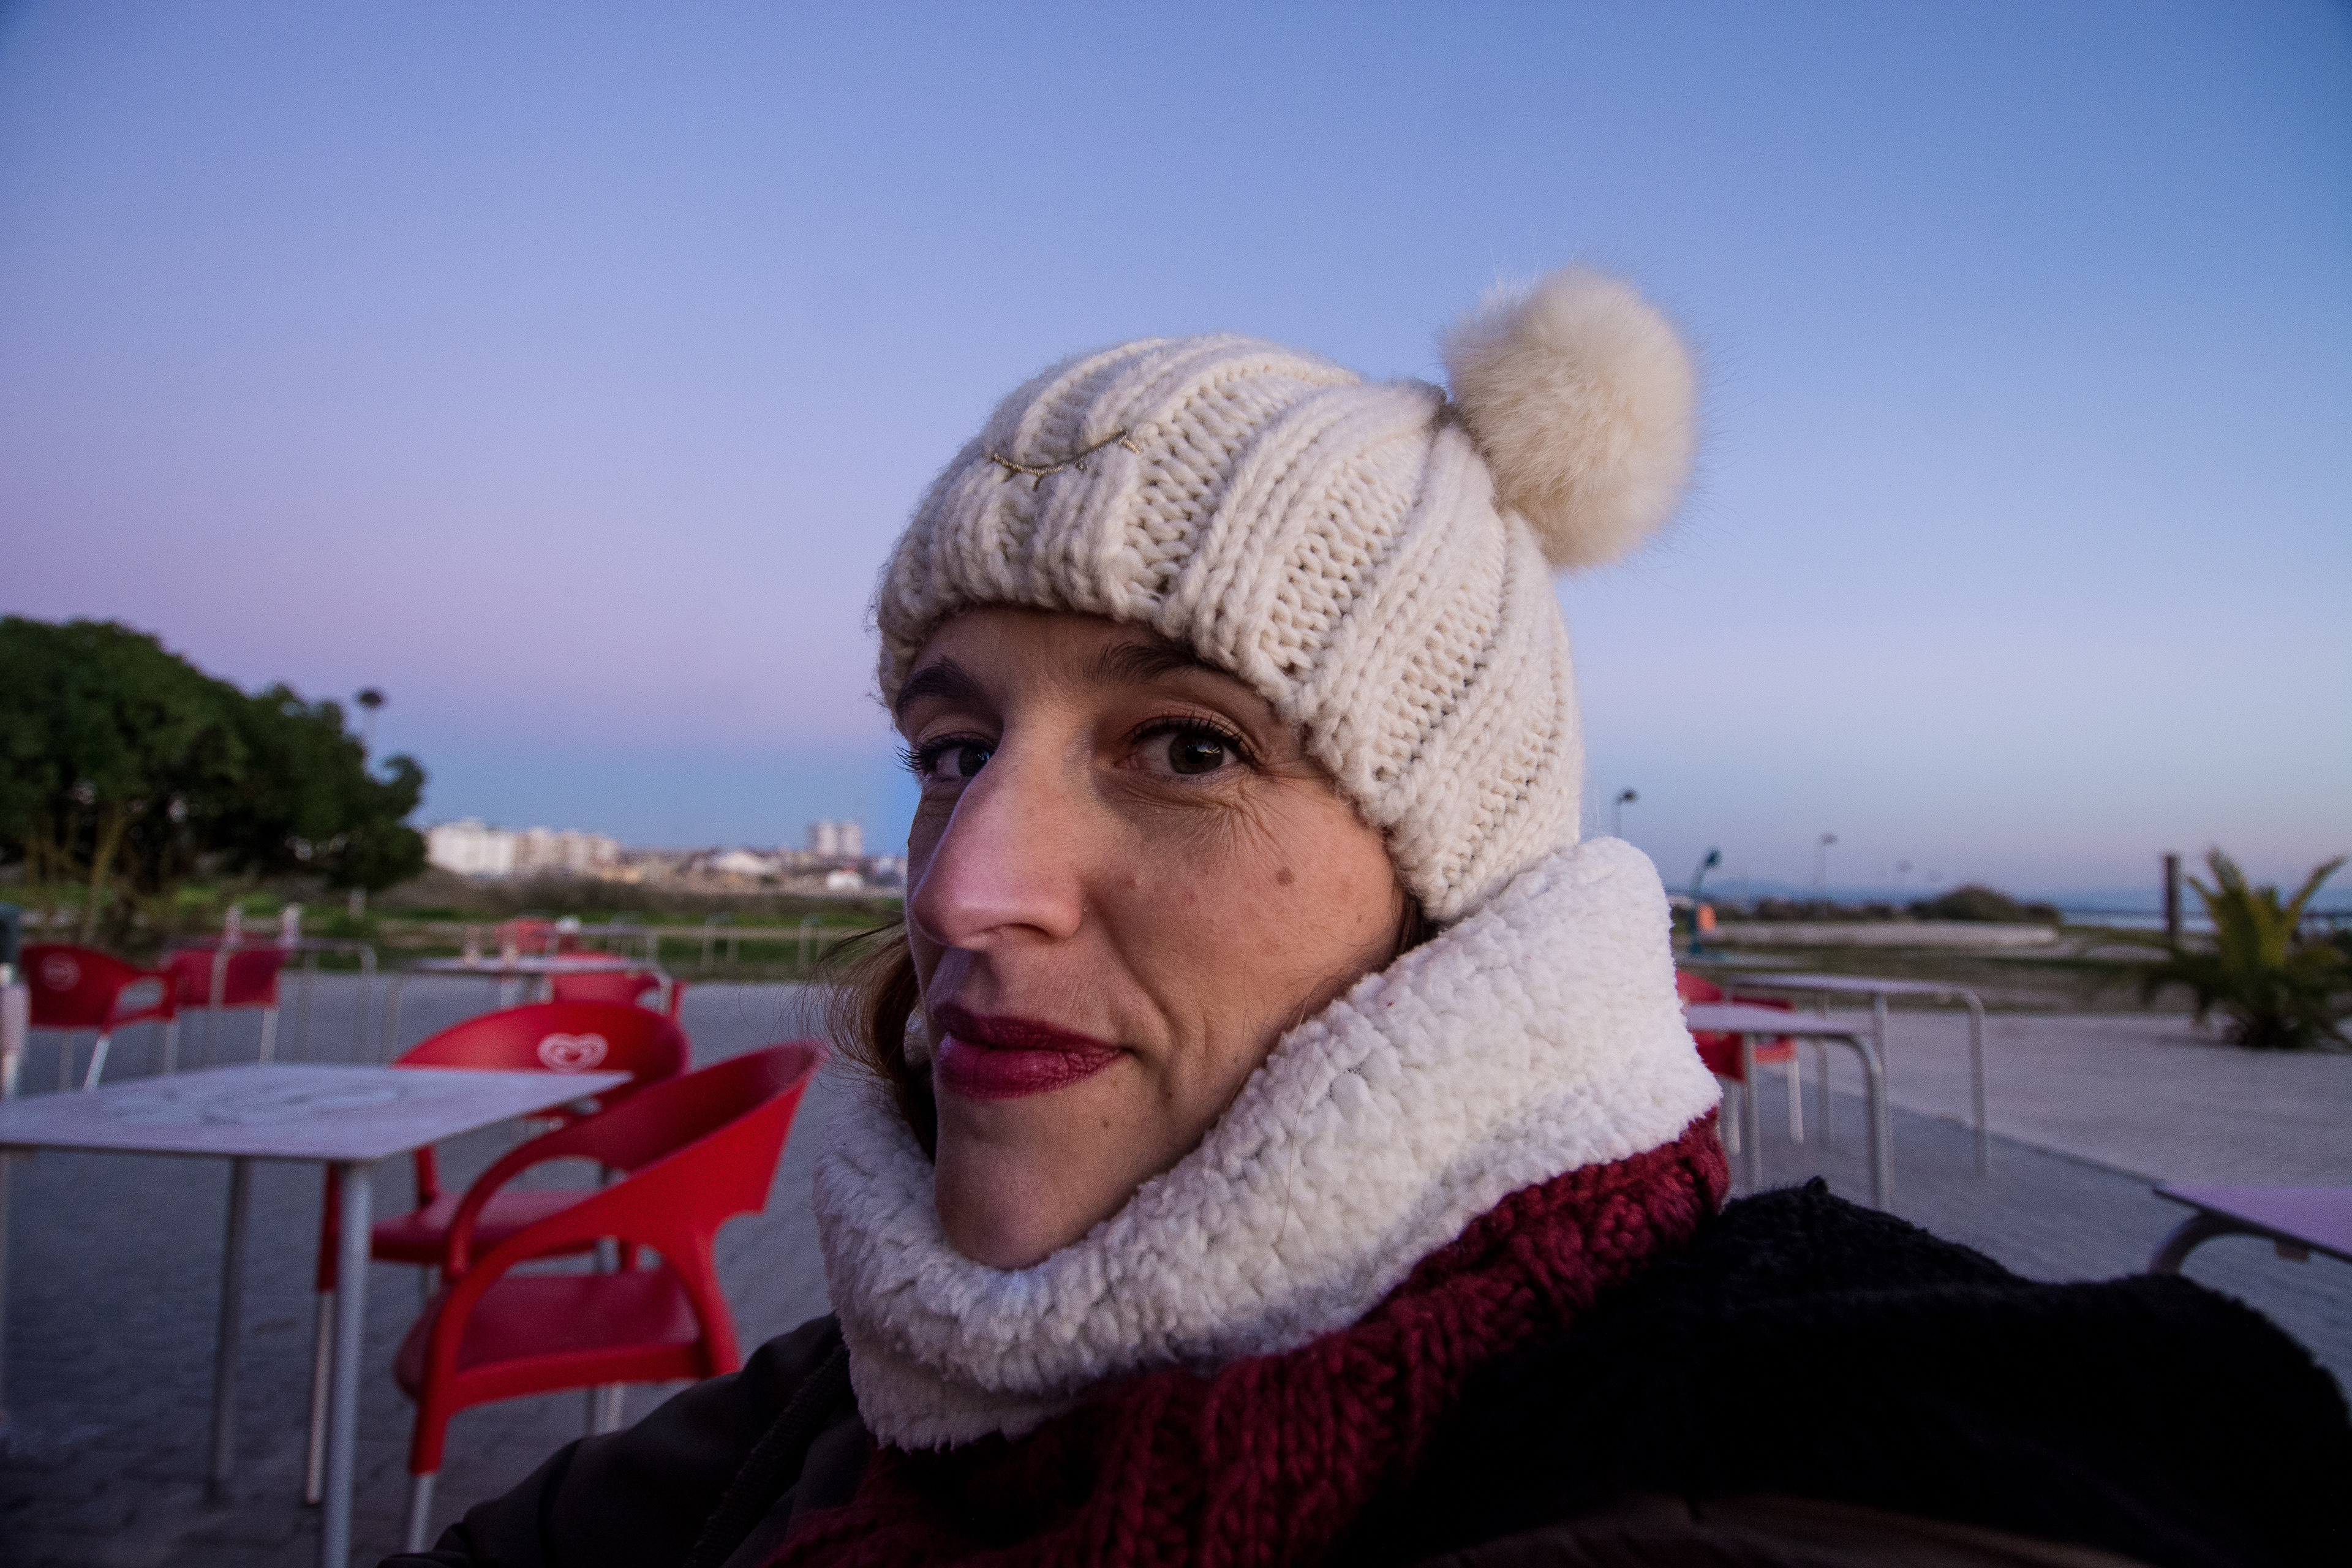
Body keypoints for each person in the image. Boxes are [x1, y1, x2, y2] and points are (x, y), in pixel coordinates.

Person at [389, 271, 2350, 1568]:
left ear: (1453, 900)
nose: (968, 885)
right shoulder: (882, 1384)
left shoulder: (1786, 1435)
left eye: (1186, 746)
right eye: (950, 749)